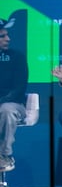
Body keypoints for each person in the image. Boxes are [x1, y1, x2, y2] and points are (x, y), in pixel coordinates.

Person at [0, 18, 28, 172]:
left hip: (14, 104)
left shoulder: (17, 57)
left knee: (6, 110)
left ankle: (4, 156)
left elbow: (19, 89)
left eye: (7, 35)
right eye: (2, 36)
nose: (8, 39)